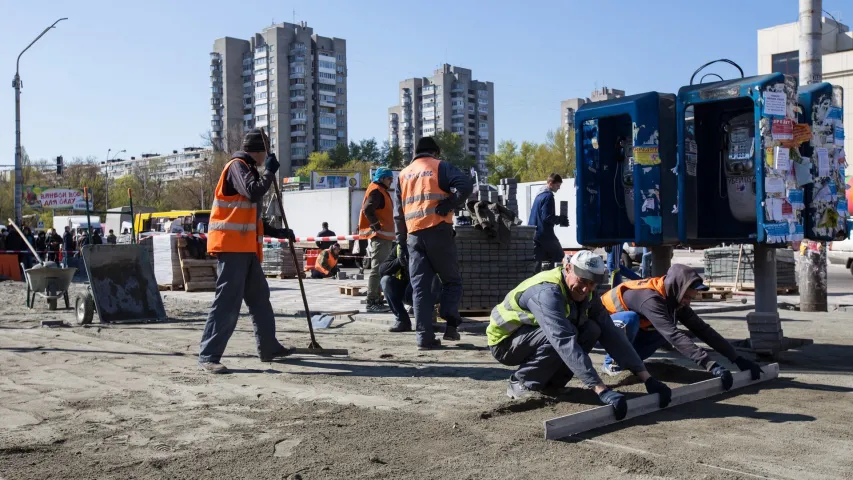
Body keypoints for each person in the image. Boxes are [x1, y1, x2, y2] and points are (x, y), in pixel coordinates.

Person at [487, 251, 672, 418]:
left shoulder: (588, 292)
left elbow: (611, 332)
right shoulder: (547, 292)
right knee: (564, 335)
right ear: (568, 268)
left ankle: (552, 385)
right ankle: (521, 382)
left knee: (592, 329)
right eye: (582, 281)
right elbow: (562, 341)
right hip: (506, 342)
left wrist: (646, 377)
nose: (586, 289)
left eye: (592, 284)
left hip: (533, 337)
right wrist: (600, 389)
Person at [198, 128, 296, 374]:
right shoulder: (237, 167)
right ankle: (209, 355)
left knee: (260, 298)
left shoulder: (249, 169)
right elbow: (253, 192)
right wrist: (270, 171)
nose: (266, 157)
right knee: (227, 302)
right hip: (232, 248)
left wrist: (278, 232)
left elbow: (250, 217)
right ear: (259, 151)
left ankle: (269, 347)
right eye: (265, 153)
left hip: (245, 248)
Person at [600, 264, 765, 390]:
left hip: (623, 333)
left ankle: (629, 364)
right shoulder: (650, 299)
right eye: (686, 297)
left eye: (690, 298)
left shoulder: (673, 298)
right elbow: (674, 336)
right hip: (600, 331)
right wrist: (710, 365)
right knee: (633, 319)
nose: (688, 301)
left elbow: (703, 330)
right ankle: (612, 363)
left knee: (660, 329)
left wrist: (737, 358)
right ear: (676, 287)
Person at [394, 136, 473, 349]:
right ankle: (451, 324)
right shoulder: (440, 167)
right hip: (438, 231)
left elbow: (398, 214)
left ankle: (424, 338)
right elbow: (466, 185)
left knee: (420, 288)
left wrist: (401, 242)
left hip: (413, 236)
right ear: (435, 152)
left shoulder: (403, 174)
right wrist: (449, 203)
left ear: (415, 153)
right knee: (452, 281)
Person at [378, 241, 442, 332]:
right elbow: (382, 270)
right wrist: (399, 261)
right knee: (386, 281)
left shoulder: (430, 245)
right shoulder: (400, 247)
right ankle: (402, 321)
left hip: (433, 291)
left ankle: (426, 321)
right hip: (409, 292)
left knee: (430, 280)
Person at [360, 167, 396, 313]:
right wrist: (376, 226)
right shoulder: (376, 191)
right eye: (389, 178)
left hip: (383, 236)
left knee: (380, 269)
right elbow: (367, 209)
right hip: (380, 236)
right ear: (381, 178)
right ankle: (372, 301)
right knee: (377, 269)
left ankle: (377, 300)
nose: (391, 181)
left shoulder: (379, 191)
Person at [528, 173, 569, 272]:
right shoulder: (548, 196)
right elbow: (547, 217)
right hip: (545, 234)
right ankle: (553, 282)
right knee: (559, 257)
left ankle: (537, 284)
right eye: (557, 185)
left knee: (537, 263)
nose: (558, 188)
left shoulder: (539, 195)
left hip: (533, 233)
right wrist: (561, 219)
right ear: (551, 183)